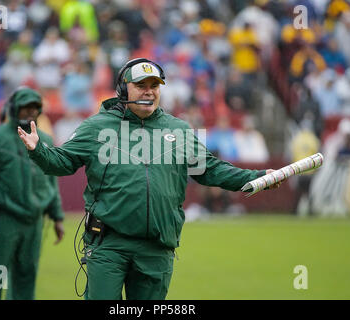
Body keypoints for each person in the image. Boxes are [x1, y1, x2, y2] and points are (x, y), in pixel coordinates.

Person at [18, 58, 280, 300]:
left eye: (154, 85)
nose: (149, 91)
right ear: (123, 90)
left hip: (157, 247)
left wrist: (257, 177)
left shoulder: (179, 129)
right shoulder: (97, 127)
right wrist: (38, 150)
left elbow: (210, 170)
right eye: (140, 85)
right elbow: (61, 163)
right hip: (109, 244)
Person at [0, 87, 65, 300]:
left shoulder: (46, 140)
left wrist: (58, 216)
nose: (30, 112)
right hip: (4, 220)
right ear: (13, 108)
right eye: (26, 107)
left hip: (33, 223)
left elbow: (51, 182)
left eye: (35, 108)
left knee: (26, 275)